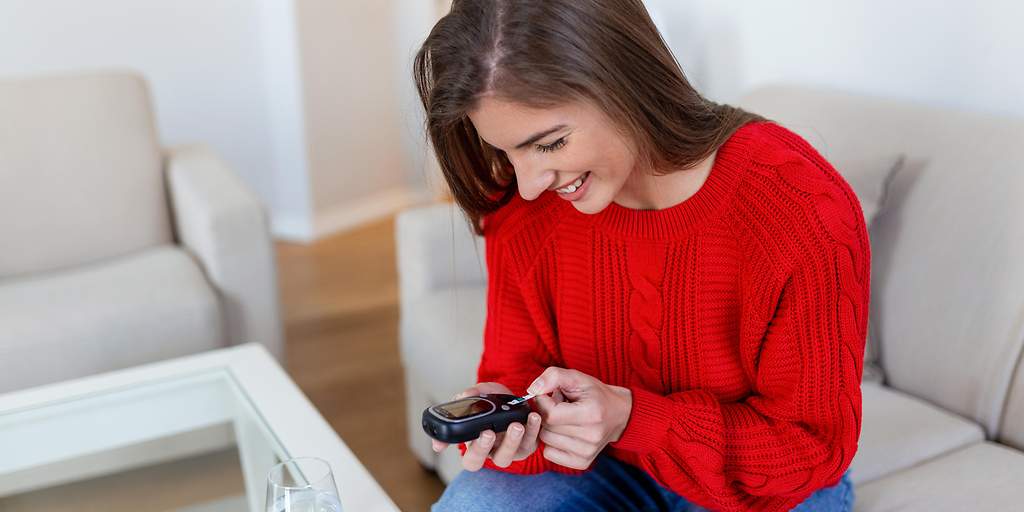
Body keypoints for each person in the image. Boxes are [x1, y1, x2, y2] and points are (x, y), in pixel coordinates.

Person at [415, 1, 865, 510]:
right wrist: (518, 422)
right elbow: (518, 375)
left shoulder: (797, 206)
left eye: (550, 145)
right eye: (506, 151)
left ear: (623, 83)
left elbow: (812, 448)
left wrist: (633, 418)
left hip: (765, 488)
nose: (529, 184)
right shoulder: (523, 210)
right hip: (602, 469)